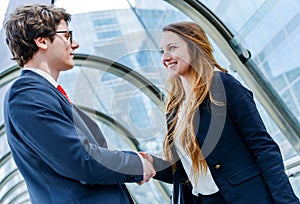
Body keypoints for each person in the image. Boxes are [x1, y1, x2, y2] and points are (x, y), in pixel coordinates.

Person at [3, 3, 155, 204]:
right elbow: (80, 160)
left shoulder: (44, 93)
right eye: (67, 36)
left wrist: (134, 158)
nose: (74, 45)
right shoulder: (26, 94)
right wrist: (134, 164)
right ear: (42, 41)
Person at [140, 21, 299, 204]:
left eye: (172, 48)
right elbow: (189, 172)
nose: (165, 58)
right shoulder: (174, 108)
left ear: (194, 46)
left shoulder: (222, 85)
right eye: (162, 51)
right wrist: (152, 164)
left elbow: (263, 147)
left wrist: (286, 201)